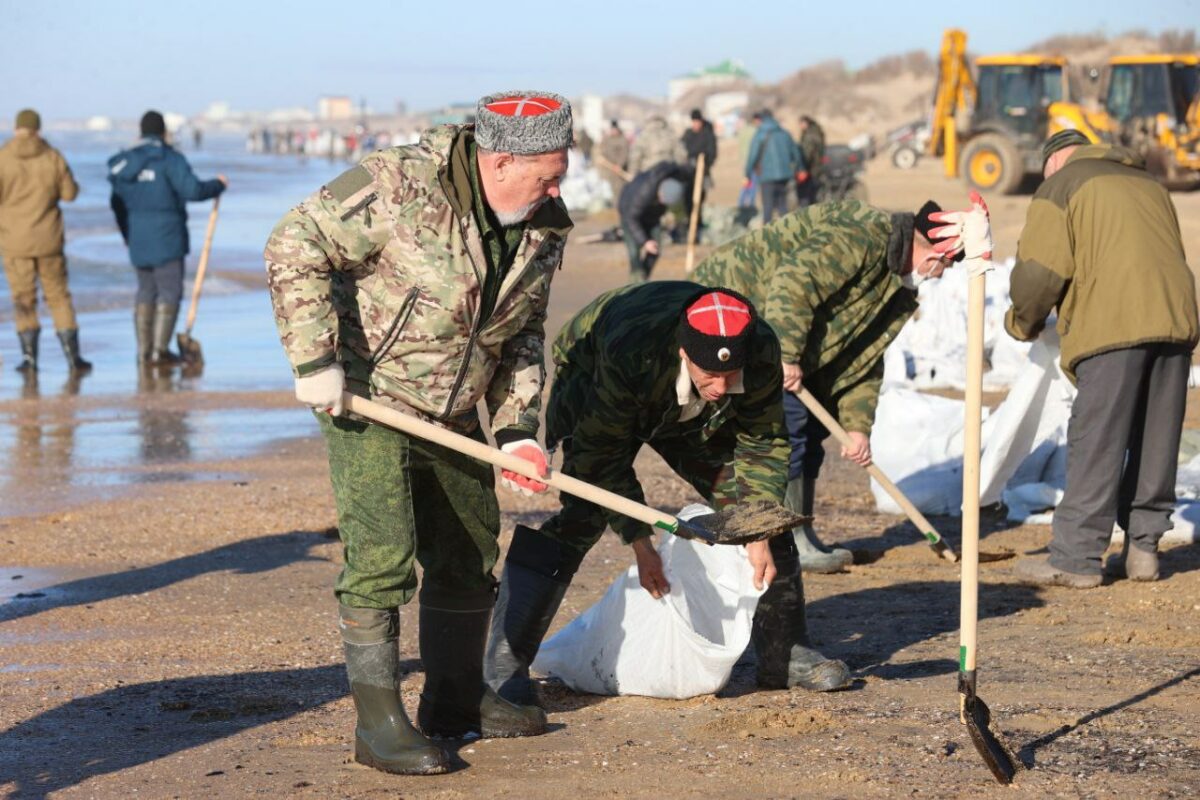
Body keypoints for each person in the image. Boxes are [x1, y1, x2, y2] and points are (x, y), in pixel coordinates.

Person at [264, 90, 573, 775]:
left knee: (467, 552)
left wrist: (518, 429)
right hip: (369, 397)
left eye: (562, 170)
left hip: (456, 410)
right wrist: (315, 359)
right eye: (548, 173)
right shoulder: (396, 182)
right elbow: (294, 240)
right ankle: (376, 728)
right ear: (497, 162)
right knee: (383, 558)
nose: (559, 187)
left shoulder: (543, 223)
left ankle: (455, 701)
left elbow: (523, 333)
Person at [485, 283, 852, 710]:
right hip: (597, 370)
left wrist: (758, 532)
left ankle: (787, 654)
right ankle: (503, 669)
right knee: (582, 516)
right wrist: (641, 542)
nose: (720, 386)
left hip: (683, 407)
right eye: (709, 375)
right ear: (684, 355)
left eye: (730, 375)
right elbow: (602, 456)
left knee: (759, 512)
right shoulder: (630, 353)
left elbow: (763, 443)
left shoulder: (762, 349)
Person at [692, 199, 963, 572]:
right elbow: (794, 283)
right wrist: (787, 354)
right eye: (943, 265)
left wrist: (857, 426)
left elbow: (864, 359)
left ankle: (798, 533)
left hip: (788, 340)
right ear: (927, 248)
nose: (938, 275)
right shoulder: (863, 234)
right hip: (741, 311)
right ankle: (784, 540)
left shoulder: (897, 286)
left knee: (811, 431)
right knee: (787, 431)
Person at [1005, 130, 1199, 588]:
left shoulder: (1064, 184)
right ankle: (1144, 551)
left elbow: (1040, 271)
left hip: (1114, 323)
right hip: (1176, 320)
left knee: (1097, 438)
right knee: (1157, 436)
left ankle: (1075, 559)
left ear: (1054, 161)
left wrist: (1022, 321)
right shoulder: (1149, 182)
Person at [108, 111, 227, 366]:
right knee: (169, 291)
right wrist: (217, 185)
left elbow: (116, 203)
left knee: (146, 291)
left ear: (140, 132)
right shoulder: (170, 159)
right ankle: (159, 351)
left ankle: (143, 352)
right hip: (168, 237)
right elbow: (193, 190)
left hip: (137, 237)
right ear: (163, 132)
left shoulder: (125, 162)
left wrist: (127, 233)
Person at [0, 109, 91, 374]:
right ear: (37, 129)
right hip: (49, 239)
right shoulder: (52, 157)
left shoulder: (3, 158)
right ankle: (73, 358)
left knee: (23, 298)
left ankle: (30, 359)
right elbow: (70, 194)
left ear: (17, 128)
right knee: (59, 297)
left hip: (15, 241)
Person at [617, 161, 693, 282]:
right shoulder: (644, 192)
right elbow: (631, 218)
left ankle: (642, 280)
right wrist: (645, 241)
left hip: (652, 215)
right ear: (659, 191)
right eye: (662, 199)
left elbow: (685, 170)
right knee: (634, 250)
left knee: (655, 248)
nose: (663, 202)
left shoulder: (675, 177)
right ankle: (635, 280)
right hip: (629, 213)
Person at [744, 110, 803, 224]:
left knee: (768, 206)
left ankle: (767, 234)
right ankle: (787, 231)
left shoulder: (759, 135)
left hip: (767, 176)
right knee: (783, 205)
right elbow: (796, 153)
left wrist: (747, 174)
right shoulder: (785, 133)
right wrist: (800, 169)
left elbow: (752, 156)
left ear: (761, 120)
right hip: (784, 175)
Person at [680, 108, 717, 240]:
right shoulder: (688, 134)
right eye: (694, 122)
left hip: (702, 172)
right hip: (688, 174)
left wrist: (704, 162)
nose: (696, 124)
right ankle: (690, 226)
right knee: (687, 200)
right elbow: (681, 149)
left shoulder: (707, 134)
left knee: (699, 200)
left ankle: (698, 226)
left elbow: (713, 153)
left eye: (698, 121)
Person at [595, 120, 629, 205]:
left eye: (615, 130)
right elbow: (604, 151)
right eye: (612, 130)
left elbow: (625, 154)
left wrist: (619, 165)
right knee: (613, 189)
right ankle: (616, 206)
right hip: (611, 169)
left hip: (620, 170)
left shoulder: (623, 140)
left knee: (621, 189)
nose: (613, 131)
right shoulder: (608, 139)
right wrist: (602, 158)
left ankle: (622, 205)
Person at [795, 115, 825, 208]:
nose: (800, 126)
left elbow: (807, 153)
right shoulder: (817, 131)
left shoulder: (809, 135)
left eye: (801, 124)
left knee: (807, 194)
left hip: (811, 167)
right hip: (817, 165)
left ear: (806, 123)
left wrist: (801, 166)